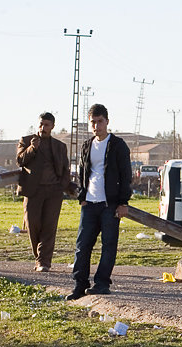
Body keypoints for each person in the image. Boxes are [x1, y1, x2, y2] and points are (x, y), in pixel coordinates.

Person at [68, 104, 132, 299]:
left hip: (110, 204)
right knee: (83, 245)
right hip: (90, 203)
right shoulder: (87, 145)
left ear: (107, 122)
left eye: (100, 122)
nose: (96, 126)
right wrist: (83, 197)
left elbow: (126, 174)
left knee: (108, 244)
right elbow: (82, 172)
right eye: (93, 122)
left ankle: (102, 283)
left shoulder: (118, 145)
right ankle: (80, 285)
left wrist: (123, 203)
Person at [16, 112, 70, 272]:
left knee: (49, 226)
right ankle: (38, 257)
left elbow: (65, 169)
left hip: (54, 191)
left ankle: (43, 262)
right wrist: (32, 148)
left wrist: (62, 186)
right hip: (33, 191)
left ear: (52, 126)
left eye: (46, 125)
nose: (43, 128)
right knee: (33, 225)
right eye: (41, 124)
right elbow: (20, 160)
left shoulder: (60, 146)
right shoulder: (26, 141)